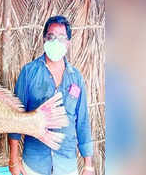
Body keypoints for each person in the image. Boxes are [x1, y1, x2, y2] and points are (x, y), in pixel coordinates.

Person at [8, 16, 94, 175]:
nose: (56, 42)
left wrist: (88, 164)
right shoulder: (29, 72)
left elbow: (82, 121)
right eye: (51, 37)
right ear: (44, 39)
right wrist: (13, 158)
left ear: (68, 43)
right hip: (34, 163)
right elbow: (16, 116)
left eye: (61, 38)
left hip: (66, 163)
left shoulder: (76, 78)